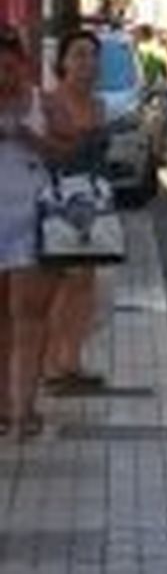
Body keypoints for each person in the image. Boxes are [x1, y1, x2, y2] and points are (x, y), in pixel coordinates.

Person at [41, 30, 108, 399]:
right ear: (63, 62)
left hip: (95, 201)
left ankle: (72, 360)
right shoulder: (50, 103)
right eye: (79, 55)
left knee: (87, 282)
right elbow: (46, 153)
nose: (87, 63)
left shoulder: (98, 105)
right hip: (60, 201)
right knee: (64, 282)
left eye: (93, 56)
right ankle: (51, 364)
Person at [0, 26, 52, 439]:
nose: (3, 75)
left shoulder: (41, 101)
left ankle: (24, 410)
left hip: (32, 219)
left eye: (9, 65)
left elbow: (67, 152)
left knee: (29, 315)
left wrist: (26, 134)